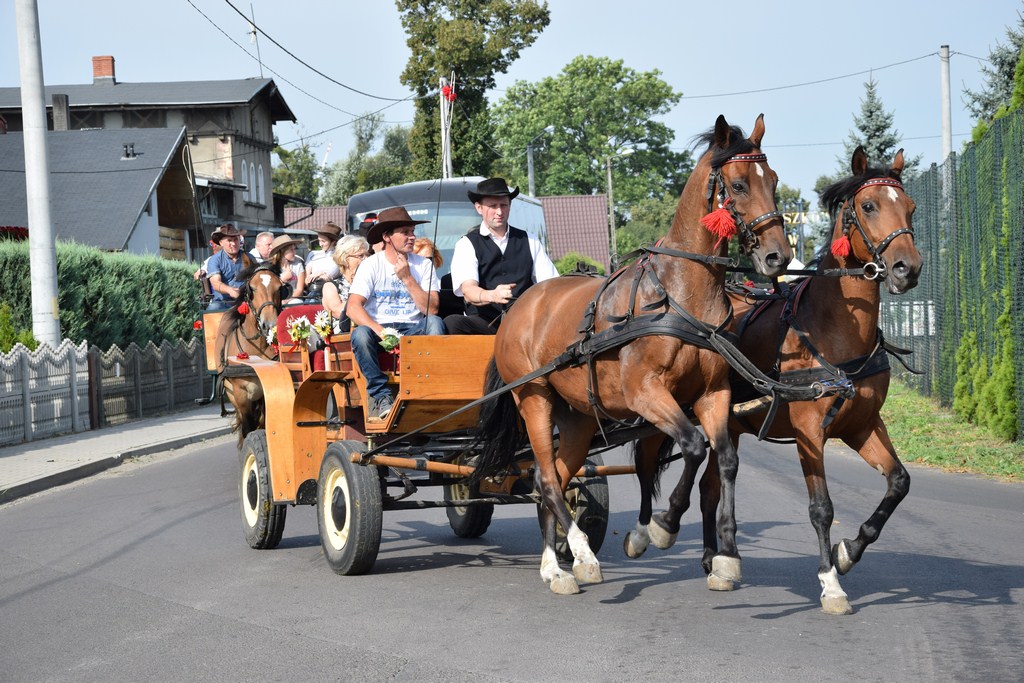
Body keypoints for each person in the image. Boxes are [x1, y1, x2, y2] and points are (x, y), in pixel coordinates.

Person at [347, 206, 445, 420]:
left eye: (412, 231)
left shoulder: (424, 265)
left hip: (413, 330)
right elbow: (353, 307)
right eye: (405, 232)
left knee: (435, 323)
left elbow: (432, 309)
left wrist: (408, 278)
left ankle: (430, 389)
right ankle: (382, 396)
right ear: (387, 237)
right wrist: (380, 331)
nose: (412, 237)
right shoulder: (371, 265)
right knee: (360, 334)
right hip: (380, 329)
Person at [444, 177, 558, 334]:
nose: (499, 212)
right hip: (485, 323)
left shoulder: (530, 240)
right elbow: (468, 291)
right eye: (493, 206)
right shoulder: (466, 244)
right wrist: (492, 295)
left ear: (510, 206)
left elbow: (550, 284)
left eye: (504, 205)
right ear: (479, 208)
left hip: (526, 322)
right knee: (452, 323)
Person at [322, 234, 371, 332]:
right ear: (345, 260)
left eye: (367, 255)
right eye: (360, 256)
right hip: (342, 337)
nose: (366, 259)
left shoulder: (370, 283)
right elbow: (339, 312)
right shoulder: (330, 286)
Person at [206, 224, 251, 310]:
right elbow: (216, 283)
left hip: (246, 301)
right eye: (229, 240)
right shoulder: (215, 260)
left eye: (235, 239)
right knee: (211, 310)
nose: (233, 243)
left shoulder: (250, 258)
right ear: (221, 242)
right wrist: (230, 290)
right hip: (222, 303)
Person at [305, 222, 343, 298]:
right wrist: (319, 274)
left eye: (323, 241)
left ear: (333, 242)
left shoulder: (340, 256)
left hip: (334, 295)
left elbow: (345, 280)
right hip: (314, 295)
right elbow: (306, 281)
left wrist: (330, 280)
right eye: (319, 240)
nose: (320, 244)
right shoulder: (313, 254)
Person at [268, 234, 305, 303]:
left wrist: (287, 300)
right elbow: (269, 289)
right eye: (291, 250)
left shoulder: (298, 263)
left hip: (294, 298)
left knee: (296, 302)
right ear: (282, 252)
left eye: (294, 249)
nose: (295, 252)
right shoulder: (271, 267)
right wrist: (282, 279)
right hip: (275, 299)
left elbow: (299, 289)